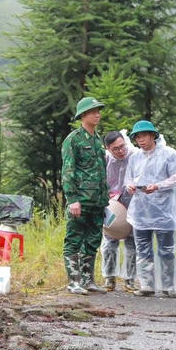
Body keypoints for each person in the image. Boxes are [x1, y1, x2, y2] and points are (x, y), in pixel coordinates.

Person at [126, 121, 176, 298]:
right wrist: (130, 186)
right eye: (137, 137)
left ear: (153, 135)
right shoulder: (135, 157)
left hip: (163, 211)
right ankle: (146, 285)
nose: (140, 140)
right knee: (142, 248)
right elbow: (128, 178)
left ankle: (168, 286)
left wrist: (158, 186)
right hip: (141, 211)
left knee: (166, 249)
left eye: (143, 136)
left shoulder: (169, 154)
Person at [61, 96, 107, 294]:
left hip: (97, 201)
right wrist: (73, 199)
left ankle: (88, 280)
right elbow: (68, 171)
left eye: (98, 111)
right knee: (74, 239)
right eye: (92, 111)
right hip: (80, 200)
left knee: (92, 241)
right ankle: (74, 282)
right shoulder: (73, 140)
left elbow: (101, 171)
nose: (97, 115)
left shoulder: (97, 140)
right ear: (83, 115)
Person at [101, 131, 137, 292]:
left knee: (132, 242)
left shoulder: (135, 155)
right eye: (116, 149)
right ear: (108, 148)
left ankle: (130, 280)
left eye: (122, 146)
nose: (120, 151)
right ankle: (109, 278)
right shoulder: (105, 159)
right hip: (111, 204)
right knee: (109, 241)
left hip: (132, 201)